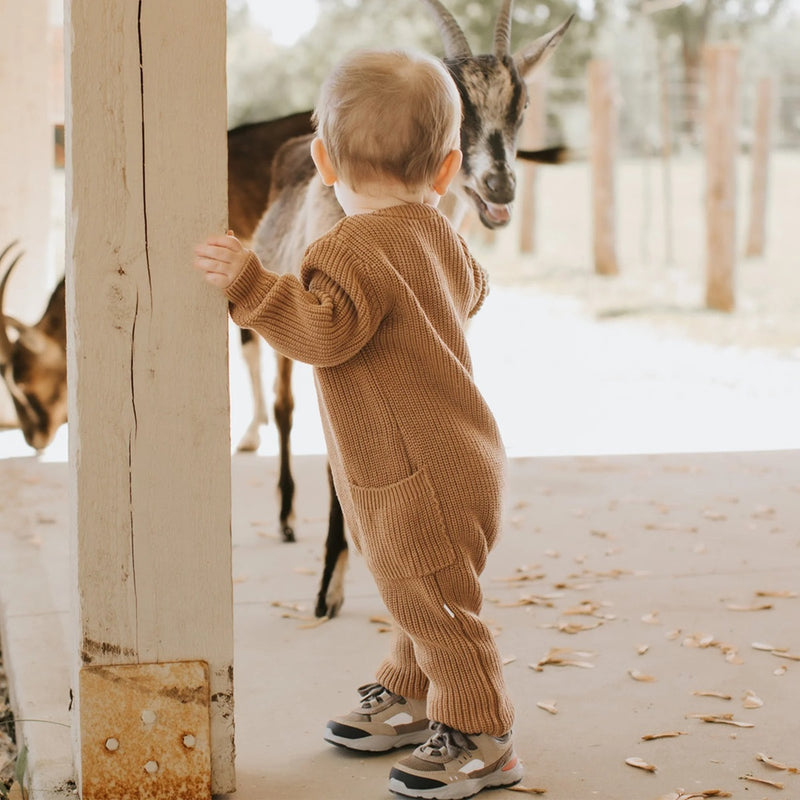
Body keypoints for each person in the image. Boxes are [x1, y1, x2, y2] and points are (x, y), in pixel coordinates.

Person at [194, 48, 520, 800]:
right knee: (420, 594)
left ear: (321, 161)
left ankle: (483, 733)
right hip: (453, 459)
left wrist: (250, 282)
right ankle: (411, 696)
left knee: (439, 607)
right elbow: (471, 292)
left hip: (417, 477)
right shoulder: (441, 234)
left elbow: (322, 335)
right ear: (446, 171)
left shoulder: (343, 249)